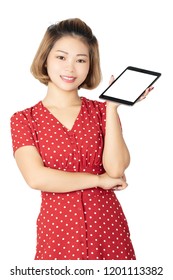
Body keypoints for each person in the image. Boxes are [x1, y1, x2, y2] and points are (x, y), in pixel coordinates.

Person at [10, 18, 153, 260]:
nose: (70, 68)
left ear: (90, 65)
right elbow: (36, 178)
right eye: (61, 57)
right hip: (58, 234)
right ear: (45, 59)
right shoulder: (24, 119)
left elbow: (116, 169)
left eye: (81, 60)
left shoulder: (101, 112)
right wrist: (98, 180)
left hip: (108, 230)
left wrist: (112, 108)